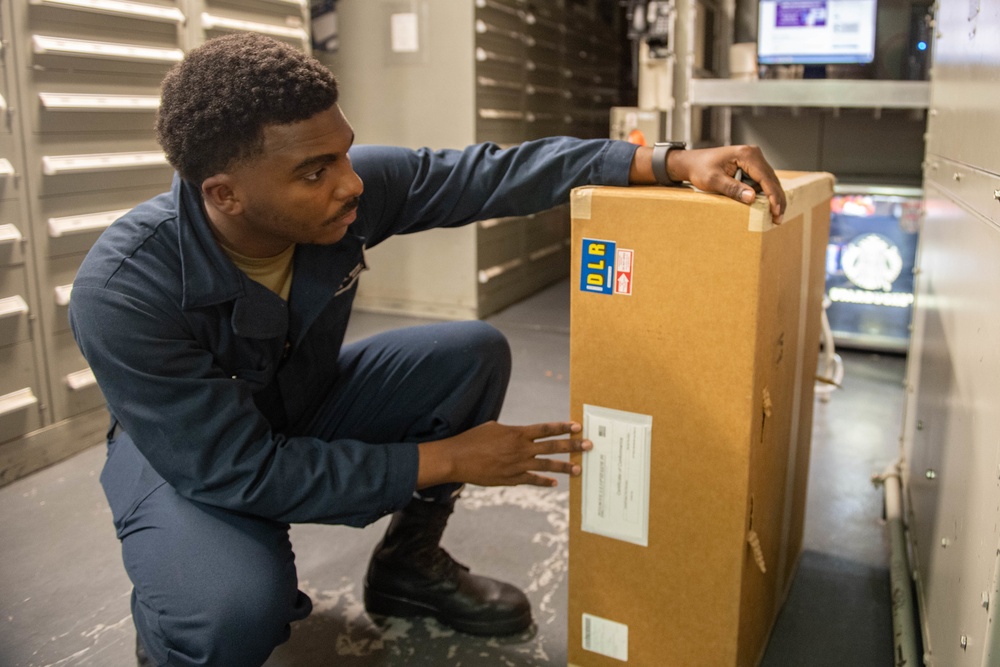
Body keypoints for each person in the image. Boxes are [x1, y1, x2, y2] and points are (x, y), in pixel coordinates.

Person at [69, 33, 786, 667]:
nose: (350, 182)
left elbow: (490, 173)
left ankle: (407, 566)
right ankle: (176, 639)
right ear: (224, 194)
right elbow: (241, 469)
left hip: (299, 399)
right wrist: (448, 458)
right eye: (315, 171)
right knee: (232, 609)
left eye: (345, 152)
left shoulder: (343, 191)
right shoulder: (124, 289)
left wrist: (667, 160)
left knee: (468, 353)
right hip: (190, 456)